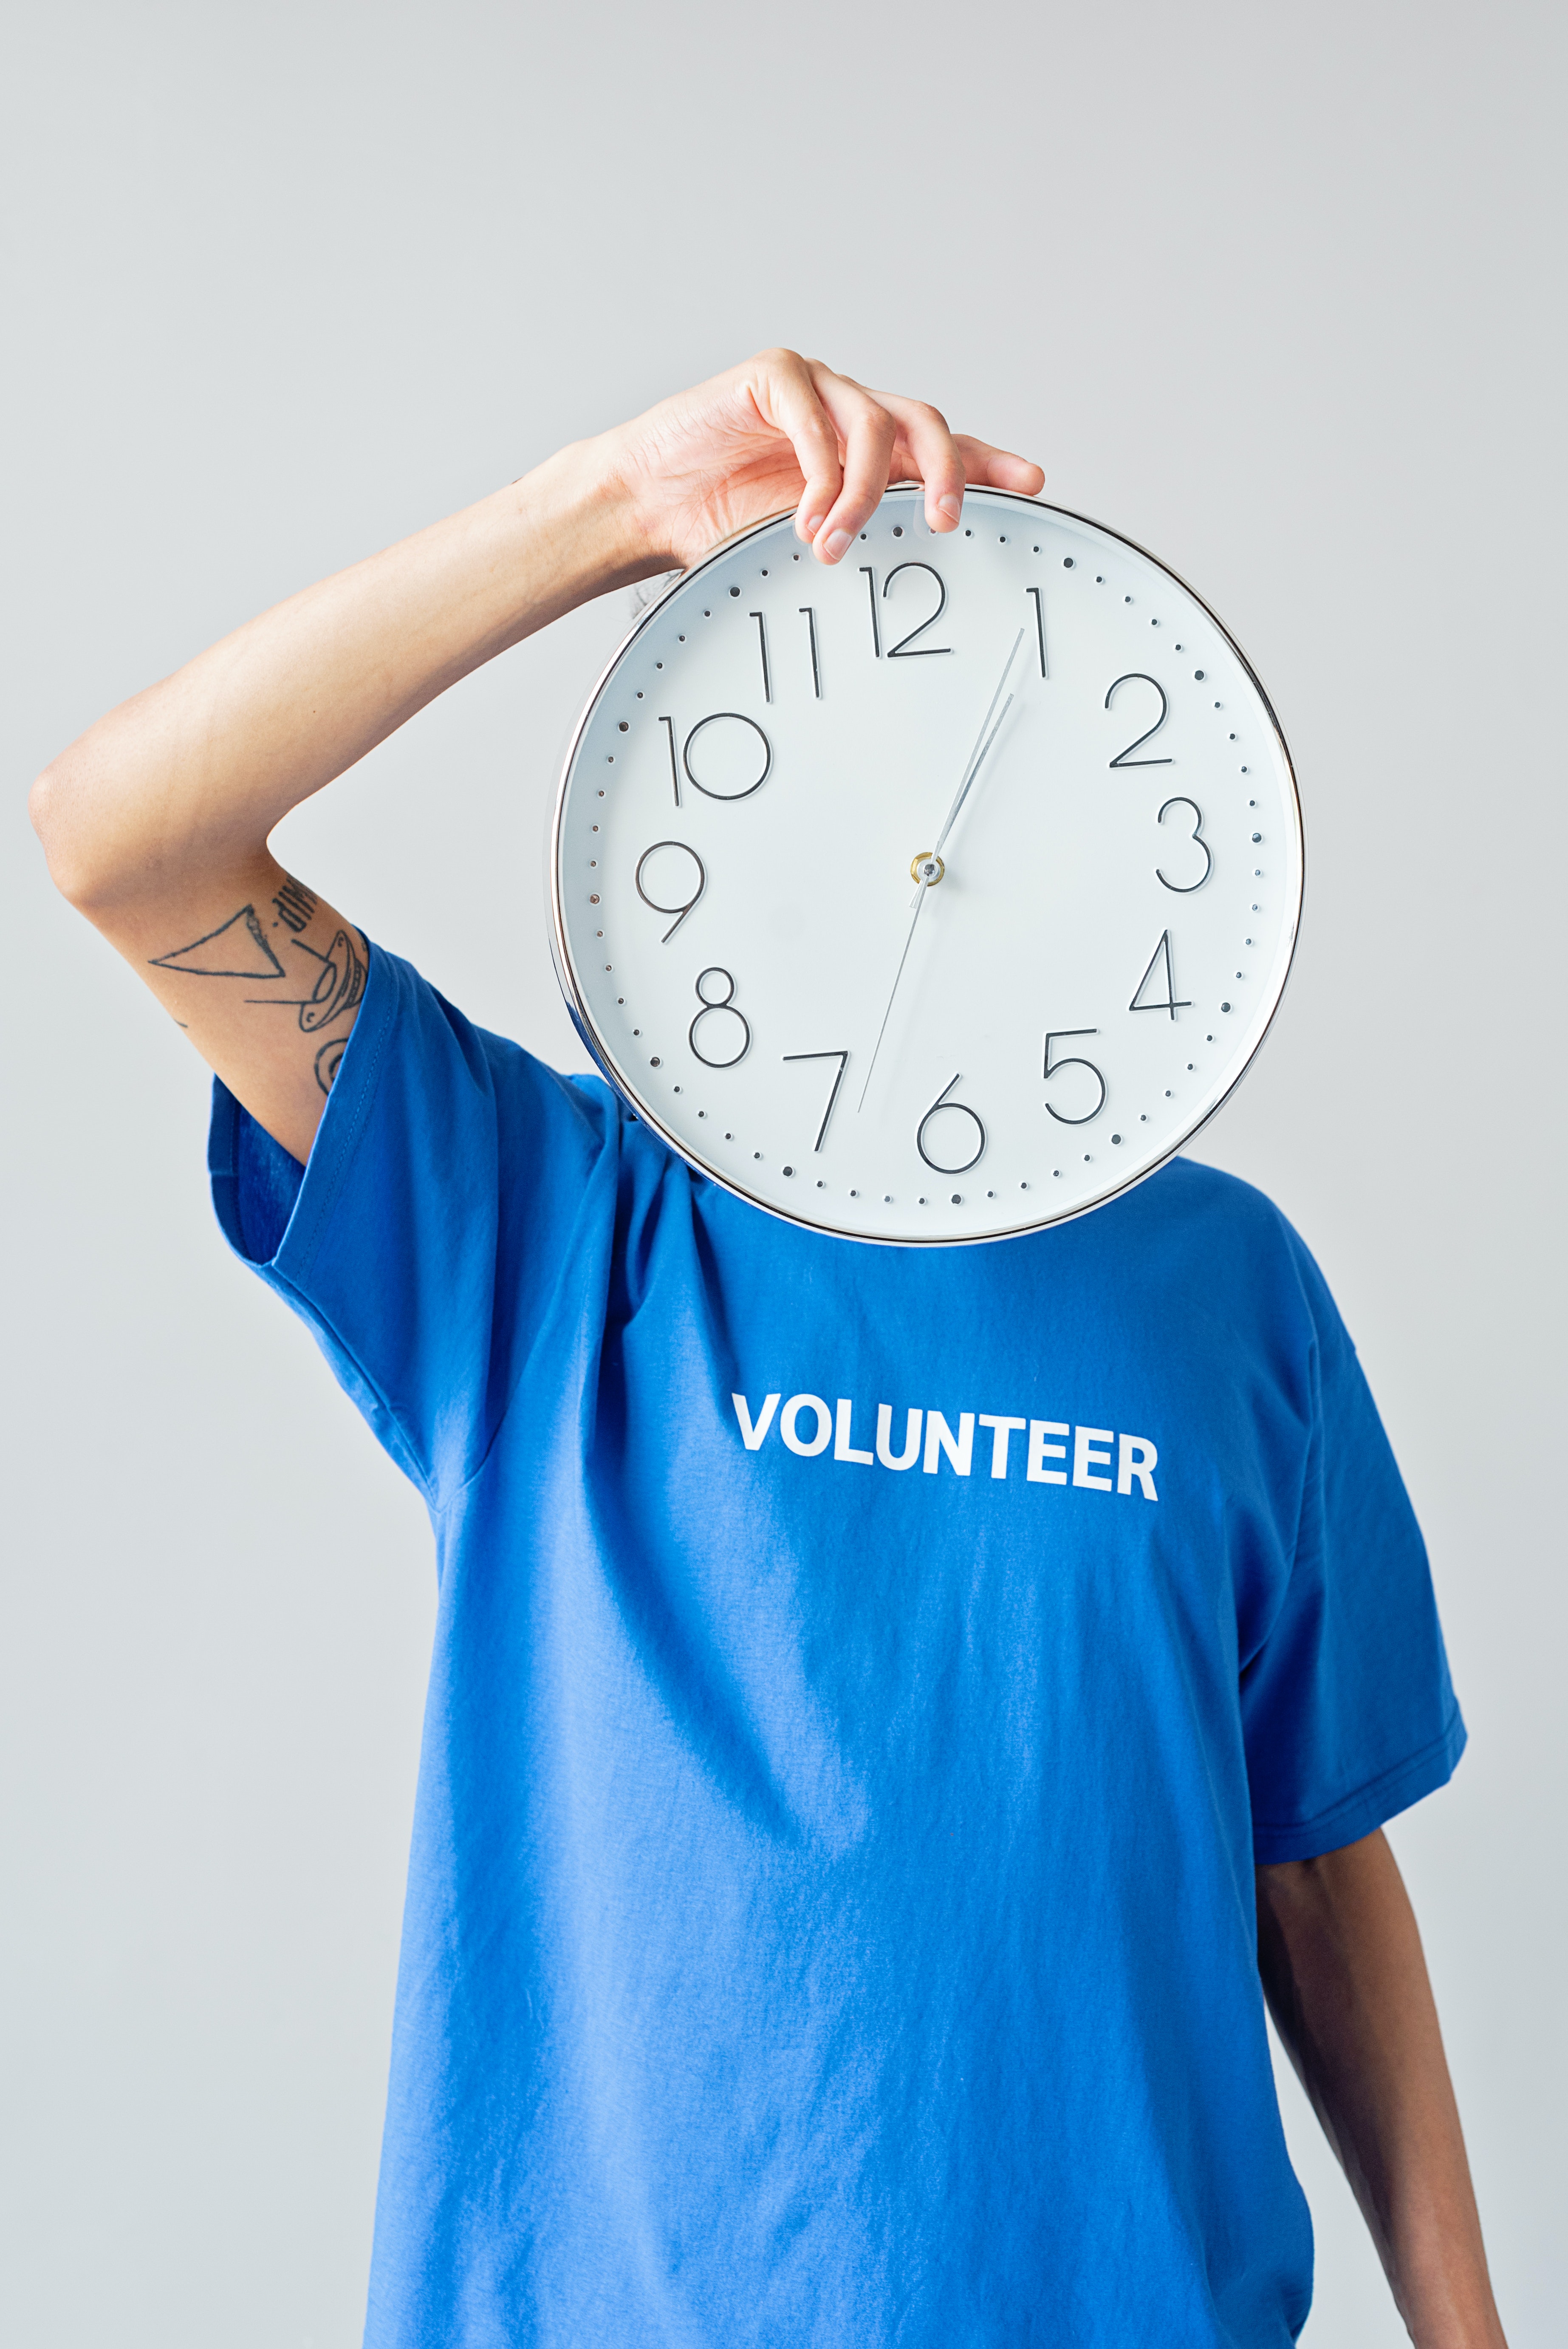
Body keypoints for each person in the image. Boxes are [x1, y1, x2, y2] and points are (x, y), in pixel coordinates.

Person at [31, 351, 1507, 2349]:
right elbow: (127, 840)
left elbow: (1319, 1874)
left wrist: (1465, 2330)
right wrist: (605, 505)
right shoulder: (547, 1224)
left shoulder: (1224, 1287)